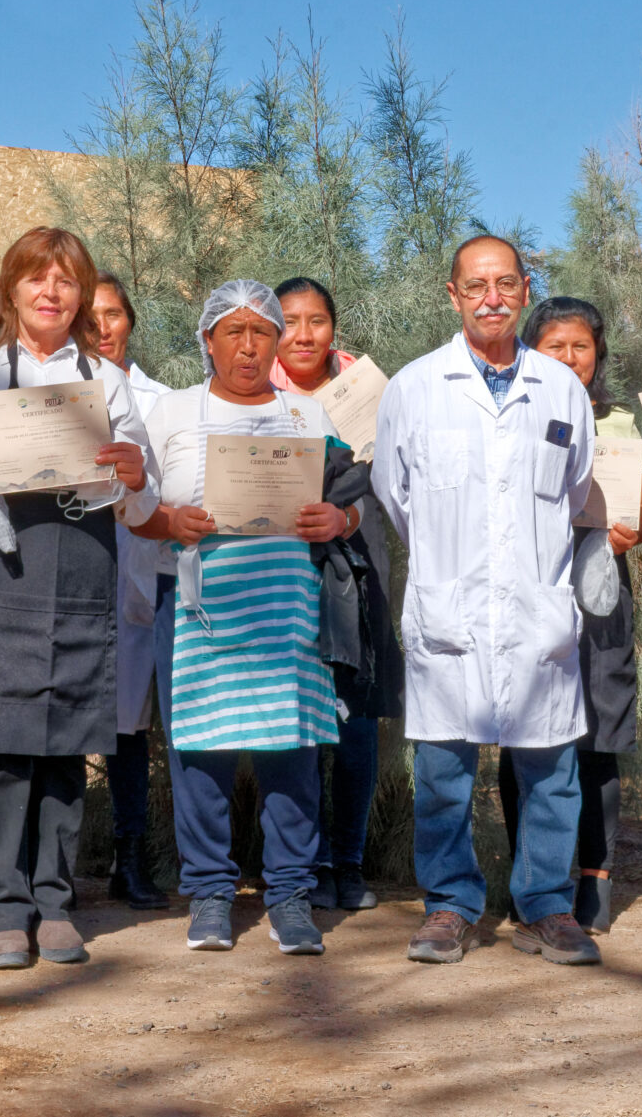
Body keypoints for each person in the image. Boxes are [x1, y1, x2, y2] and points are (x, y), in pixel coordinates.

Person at [0, 227, 157, 970]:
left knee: (62, 744)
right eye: (36, 278)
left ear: (82, 294)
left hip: (81, 566)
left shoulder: (108, 382)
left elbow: (139, 489)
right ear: (11, 290)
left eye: (65, 280)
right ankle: (1, 908)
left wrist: (131, 468)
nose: (51, 291)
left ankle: (54, 904)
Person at [371, 235, 599, 967]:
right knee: (443, 772)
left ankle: (546, 904)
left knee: (551, 771)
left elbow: (574, 489)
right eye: (477, 285)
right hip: (451, 609)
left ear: (526, 290)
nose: (492, 297)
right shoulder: (414, 387)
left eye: (505, 283)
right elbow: (397, 496)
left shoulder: (561, 390)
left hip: (536, 610)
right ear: (454, 294)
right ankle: (450, 903)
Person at [133, 281, 355, 955]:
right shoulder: (171, 412)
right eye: (233, 331)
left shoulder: (307, 415)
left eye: (262, 330)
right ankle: (208, 892)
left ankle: (290, 893)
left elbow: (355, 495)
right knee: (201, 749)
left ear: (278, 341)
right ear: (207, 341)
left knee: (290, 748)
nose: (249, 344)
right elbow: (130, 503)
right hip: (199, 602)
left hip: (286, 602)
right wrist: (167, 519)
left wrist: (339, 517)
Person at [497, 297, 642, 934]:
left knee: (597, 737)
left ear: (598, 355)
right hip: (529, 588)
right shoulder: (508, 416)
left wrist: (628, 535)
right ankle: (530, 880)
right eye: (554, 346)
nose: (569, 358)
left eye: (581, 347)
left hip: (600, 595)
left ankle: (593, 879)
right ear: (532, 350)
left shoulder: (619, 424)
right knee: (526, 736)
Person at [271, 275, 400, 911]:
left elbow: (396, 479)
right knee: (298, 722)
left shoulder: (366, 394)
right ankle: (308, 861)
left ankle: (347, 861)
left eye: (316, 320)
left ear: (333, 328)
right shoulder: (256, 392)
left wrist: (346, 518)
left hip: (358, 564)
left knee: (355, 721)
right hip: (282, 568)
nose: (302, 334)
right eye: (289, 320)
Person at [96, 271, 177, 910]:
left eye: (114, 314)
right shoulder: (50, 394)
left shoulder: (164, 403)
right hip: (73, 583)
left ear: (130, 322)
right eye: (89, 315)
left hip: (146, 577)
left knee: (133, 728)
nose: (101, 327)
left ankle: (131, 855)